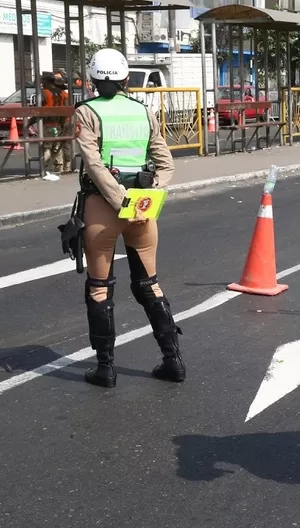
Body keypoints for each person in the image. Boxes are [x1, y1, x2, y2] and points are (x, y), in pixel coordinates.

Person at [73, 48, 185, 388]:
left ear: (92, 80)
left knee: (98, 287)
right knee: (149, 283)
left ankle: (105, 369)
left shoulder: (85, 112)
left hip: (102, 206)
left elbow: (93, 163)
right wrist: (143, 200)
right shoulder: (143, 110)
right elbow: (166, 164)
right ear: (125, 79)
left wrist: (119, 199)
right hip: (141, 205)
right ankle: (173, 361)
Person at [41, 72, 69, 178]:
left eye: (43, 80)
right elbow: (66, 108)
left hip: (48, 123)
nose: (41, 82)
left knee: (47, 147)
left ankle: (45, 168)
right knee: (58, 147)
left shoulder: (44, 93)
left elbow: (38, 107)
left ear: (46, 81)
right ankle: (59, 168)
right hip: (59, 123)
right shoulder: (62, 93)